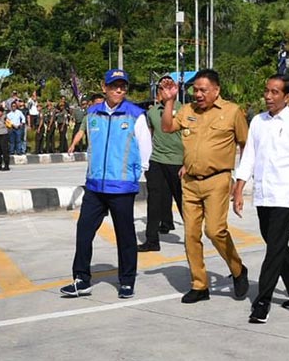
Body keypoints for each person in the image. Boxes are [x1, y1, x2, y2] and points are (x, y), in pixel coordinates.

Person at [232, 74, 289, 324]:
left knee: (273, 250)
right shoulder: (258, 121)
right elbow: (249, 156)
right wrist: (239, 188)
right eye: (266, 91)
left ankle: (262, 301)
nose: (268, 96)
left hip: (284, 195)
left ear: (287, 97)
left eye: (274, 92)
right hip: (263, 195)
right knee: (277, 244)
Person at [158, 69, 250, 304]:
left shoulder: (232, 112)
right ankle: (199, 285)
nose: (197, 94)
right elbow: (167, 127)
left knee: (215, 231)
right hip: (189, 182)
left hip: (217, 180)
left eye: (203, 90)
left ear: (216, 90)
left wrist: (240, 182)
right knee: (190, 235)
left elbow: (246, 146)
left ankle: (238, 270)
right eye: (195, 90)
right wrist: (169, 101)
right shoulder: (188, 111)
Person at [61, 69, 152, 300]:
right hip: (94, 186)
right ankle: (81, 279)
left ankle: (127, 281)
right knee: (84, 232)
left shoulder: (135, 115)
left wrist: (136, 174)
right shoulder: (92, 114)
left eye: (123, 86)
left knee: (125, 236)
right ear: (105, 87)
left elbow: (145, 148)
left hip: (121, 187)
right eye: (114, 86)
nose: (119, 90)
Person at [138, 77, 184, 253]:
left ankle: (193, 239)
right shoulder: (152, 112)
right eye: (162, 88)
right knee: (154, 201)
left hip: (179, 162)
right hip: (157, 161)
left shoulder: (185, 110)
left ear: (176, 89)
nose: (166, 90)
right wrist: (145, 161)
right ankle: (151, 240)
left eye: (169, 86)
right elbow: (148, 136)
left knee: (183, 203)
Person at [0, 106, 11, 171]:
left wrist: (3, 122)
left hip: (4, 134)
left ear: (2, 112)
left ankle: (6, 165)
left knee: (4, 150)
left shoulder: (5, 117)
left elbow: (9, 125)